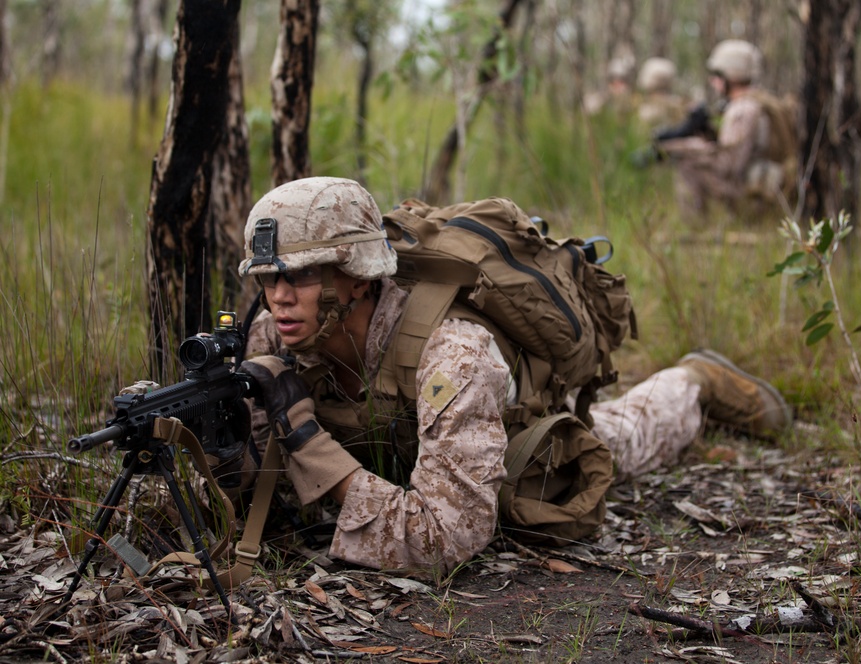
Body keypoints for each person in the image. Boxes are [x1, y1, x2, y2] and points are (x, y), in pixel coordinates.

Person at [229, 176, 793, 576]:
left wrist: (306, 439)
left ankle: (694, 382)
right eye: (268, 279)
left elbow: (444, 539)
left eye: (300, 275)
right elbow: (259, 485)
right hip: (407, 460)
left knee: (625, 439)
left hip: (511, 449)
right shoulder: (272, 336)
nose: (278, 297)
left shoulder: (452, 353)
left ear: (355, 276)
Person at [651, 39, 799, 217]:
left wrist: (681, 148)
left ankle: (695, 225)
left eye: (716, 75)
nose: (713, 81)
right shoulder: (756, 102)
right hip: (760, 180)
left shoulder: (743, 110)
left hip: (751, 188)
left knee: (686, 164)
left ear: (730, 75)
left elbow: (730, 164)